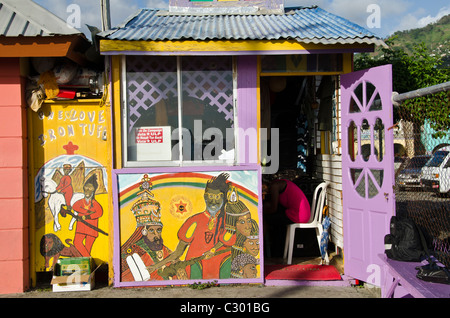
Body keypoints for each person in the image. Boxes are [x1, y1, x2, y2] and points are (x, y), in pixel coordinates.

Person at [263, 178, 311, 256]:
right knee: (275, 220)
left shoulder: (274, 186)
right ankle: (275, 251)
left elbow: (273, 208)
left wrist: (261, 212)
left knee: (266, 219)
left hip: (298, 215)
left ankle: (259, 246)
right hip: (302, 213)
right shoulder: (282, 183)